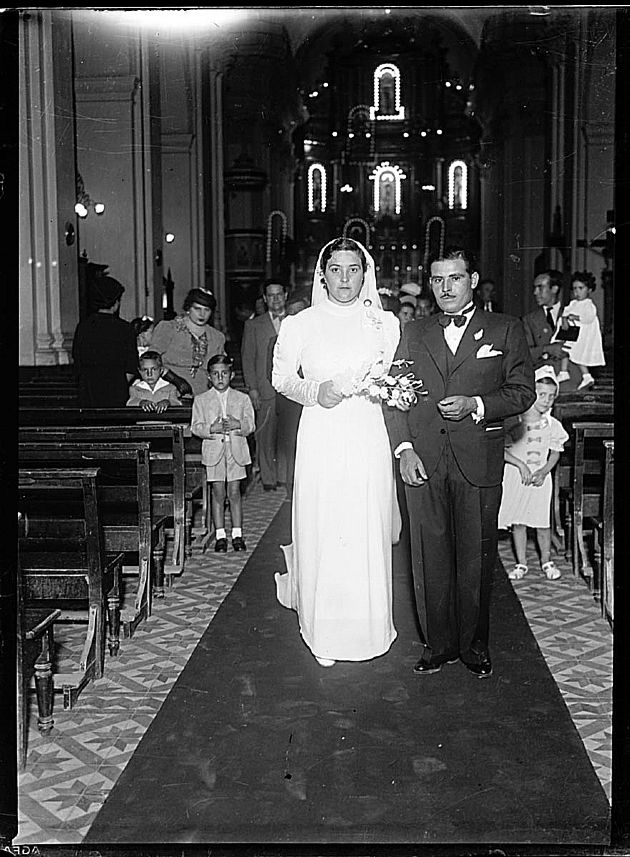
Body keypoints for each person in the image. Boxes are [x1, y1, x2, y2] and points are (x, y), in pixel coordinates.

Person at [384, 245, 535, 678]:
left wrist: (477, 403)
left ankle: (473, 646)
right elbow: (394, 399)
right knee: (428, 555)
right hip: (424, 459)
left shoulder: (504, 329)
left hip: (479, 459)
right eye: (437, 279)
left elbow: (522, 392)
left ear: (472, 280)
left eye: (454, 278)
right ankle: (438, 645)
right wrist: (404, 449)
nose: (445, 287)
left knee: (476, 558)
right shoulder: (413, 332)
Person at [272, 236, 401, 667]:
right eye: (336, 269)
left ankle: (370, 628)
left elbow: (393, 378)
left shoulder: (386, 324)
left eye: (353, 269)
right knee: (326, 524)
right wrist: (315, 390)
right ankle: (323, 632)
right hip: (323, 432)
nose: (345, 279)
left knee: (367, 523)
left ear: (365, 274)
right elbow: (282, 378)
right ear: (321, 274)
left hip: (367, 431)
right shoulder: (301, 324)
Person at [498, 365, 569, 581]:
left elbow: (555, 453)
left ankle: (546, 561)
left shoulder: (552, 424)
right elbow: (500, 450)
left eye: (551, 396)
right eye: (541, 395)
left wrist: (544, 471)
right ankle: (521, 563)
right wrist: (520, 464)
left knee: (541, 522)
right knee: (519, 522)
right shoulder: (515, 421)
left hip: (540, 479)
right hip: (517, 478)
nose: (546, 400)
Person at [191, 354, 256, 553]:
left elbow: (251, 425)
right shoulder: (201, 400)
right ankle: (220, 535)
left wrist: (239, 425)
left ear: (231, 375)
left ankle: (237, 534)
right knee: (218, 493)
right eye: (216, 374)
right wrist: (211, 429)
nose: (220, 378)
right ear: (209, 377)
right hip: (214, 453)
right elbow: (195, 427)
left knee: (234, 493)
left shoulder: (242, 398)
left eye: (224, 373)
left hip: (235, 451)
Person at [241, 279, 289, 490]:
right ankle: (268, 479)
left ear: (286, 295)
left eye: (279, 294)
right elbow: (247, 358)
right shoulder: (253, 325)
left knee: (287, 435)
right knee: (265, 435)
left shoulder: (297, 321)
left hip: (290, 390)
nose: (275, 299)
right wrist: (252, 388)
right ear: (264, 299)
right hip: (264, 388)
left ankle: (285, 476)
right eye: (271, 295)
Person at [266, 294, 309, 501]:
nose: (297, 317)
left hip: (315, 405)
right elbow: (271, 373)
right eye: (292, 314)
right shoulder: (276, 342)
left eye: (301, 312)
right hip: (290, 405)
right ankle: (293, 492)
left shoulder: (319, 340)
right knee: (291, 449)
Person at [72, 275, 139, 408]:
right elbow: (131, 366)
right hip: (116, 392)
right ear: (115, 303)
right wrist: (117, 384)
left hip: (88, 392)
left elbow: (77, 360)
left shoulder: (83, 327)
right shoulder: (125, 329)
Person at [150, 288, 226, 398]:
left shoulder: (217, 337)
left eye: (207, 310)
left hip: (203, 393)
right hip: (168, 391)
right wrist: (173, 379)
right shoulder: (168, 328)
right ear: (188, 308)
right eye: (197, 309)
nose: (202, 314)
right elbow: (150, 360)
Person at [552, 271, 605, 390]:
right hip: (572, 334)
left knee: (579, 355)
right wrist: (565, 319)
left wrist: (575, 317)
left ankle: (586, 376)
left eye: (581, 288)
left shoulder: (588, 305)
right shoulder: (573, 303)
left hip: (583, 336)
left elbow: (589, 317)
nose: (577, 292)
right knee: (565, 350)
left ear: (589, 290)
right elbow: (565, 313)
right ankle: (564, 372)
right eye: (575, 288)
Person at [521, 269, 573, 383]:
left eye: (540, 287)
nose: (535, 292)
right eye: (535, 288)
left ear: (554, 289)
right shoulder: (529, 320)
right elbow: (524, 353)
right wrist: (547, 349)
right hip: (542, 380)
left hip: (571, 378)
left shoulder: (572, 313)